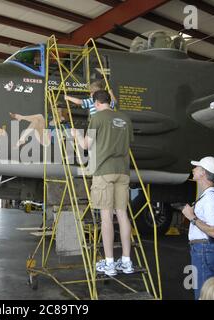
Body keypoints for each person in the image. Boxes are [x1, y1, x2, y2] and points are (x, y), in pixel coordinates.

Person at [72, 90, 134, 276]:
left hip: (103, 172)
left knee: (106, 217)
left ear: (96, 103)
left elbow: (86, 145)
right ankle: (126, 261)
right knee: (122, 215)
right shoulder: (125, 118)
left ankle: (109, 263)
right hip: (123, 171)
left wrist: (75, 134)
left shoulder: (97, 118)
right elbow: (128, 143)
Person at [182, 156, 214, 300]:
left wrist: (192, 217)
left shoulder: (209, 198)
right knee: (213, 294)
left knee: (204, 296)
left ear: (203, 173)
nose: (193, 169)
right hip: (212, 249)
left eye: (197, 168)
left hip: (204, 250)